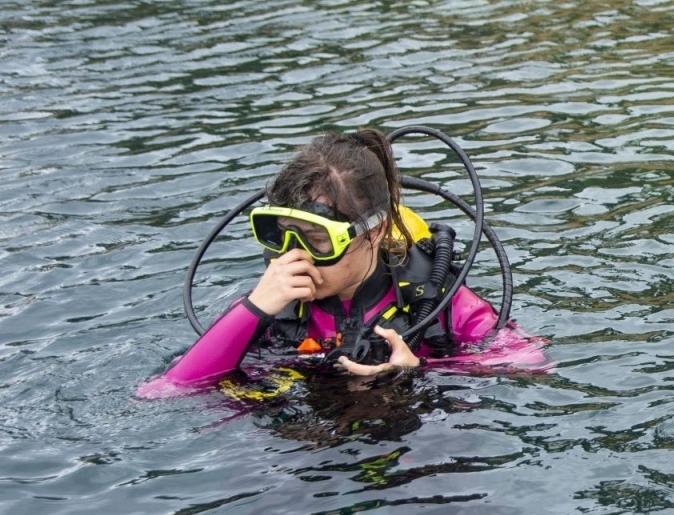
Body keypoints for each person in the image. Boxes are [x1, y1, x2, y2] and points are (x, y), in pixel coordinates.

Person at [148, 128, 545, 394]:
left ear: (373, 231)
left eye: (317, 240)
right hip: (300, 448)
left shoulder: (438, 300)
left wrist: (418, 371)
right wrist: (253, 310)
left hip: (411, 434)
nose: (294, 255)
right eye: (279, 236)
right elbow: (167, 390)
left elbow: (531, 362)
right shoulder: (270, 306)